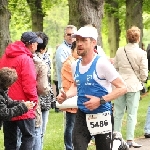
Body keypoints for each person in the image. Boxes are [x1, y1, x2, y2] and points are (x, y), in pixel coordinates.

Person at [57, 26, 127, 150]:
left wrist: (100, 100)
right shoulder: (74, 65)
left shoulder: (102, 63)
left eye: (84, 40)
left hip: (102, 114)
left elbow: (122, 87)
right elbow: (77, 85)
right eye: (77, 40)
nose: (79, 43)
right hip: (82, 114)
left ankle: (117, 143)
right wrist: (66, 95)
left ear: (93, 42)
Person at [0, 31, 42, 150]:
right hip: (23, 104)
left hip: (6, 103)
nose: (37, 46)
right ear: (31, 44)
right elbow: (29, 83)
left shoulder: (5, 56)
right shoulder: (25, 59)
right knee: (29, 136)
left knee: (9, 140)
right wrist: (33, 101)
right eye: (36, 43)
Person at [113, 26, 148, 148]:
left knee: (118, 112)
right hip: (133, 85)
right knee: (132, 113)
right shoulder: (142, 53)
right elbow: (144, 73)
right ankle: (129, 139)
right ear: (138, 39)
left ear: (127, 38)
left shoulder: (120, 50)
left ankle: (115, 138)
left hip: (120, 84)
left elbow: (116, 66)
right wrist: (142, 80)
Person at [35, 31, 55, 149]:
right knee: (39, 131)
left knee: (38, 131)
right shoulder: (41, 59)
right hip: (41, 96)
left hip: (42, 96)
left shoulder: (45, 57)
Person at [61, 41, 79, 150]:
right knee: (71, 125)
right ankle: (69, 147)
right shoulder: (69, 63)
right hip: (71, 97)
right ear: (72, 50)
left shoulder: (76, 61)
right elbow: (76, 80)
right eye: (77, 50)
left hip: (75, 98)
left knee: (75, 125)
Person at [55, 25, 77, 91]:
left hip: (74, 87)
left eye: (73, 34)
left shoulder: (78, 47)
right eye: (68, 34)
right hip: (66, 87)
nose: (71, 36)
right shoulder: (62, 49)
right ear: (64, 36)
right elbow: (64, 68)